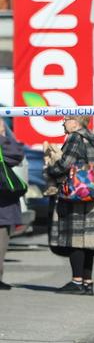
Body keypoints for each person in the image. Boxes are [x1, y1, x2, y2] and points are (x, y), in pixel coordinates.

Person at [43, 117, 94, 294]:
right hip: (91, 193)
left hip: (75, 195)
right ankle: (87, 283)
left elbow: (65, 164)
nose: (63, 123)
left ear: (76, 122)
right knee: (88, 242)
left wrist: (49, 168)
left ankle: (76, 281)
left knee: (75, 239)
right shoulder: (92, 139)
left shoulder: (75, 138)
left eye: (66, 119)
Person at [0, 120, 25, 290]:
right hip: (3, 205)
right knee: (1, 242)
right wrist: (2, 136)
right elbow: (17, 153)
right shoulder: (3, 144)